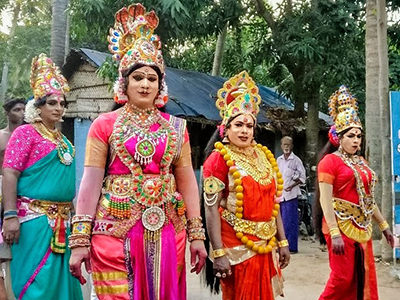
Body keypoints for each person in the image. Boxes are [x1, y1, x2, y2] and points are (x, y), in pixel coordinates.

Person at [68, 4, 207, 300]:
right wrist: (80, 239)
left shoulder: (177, 128)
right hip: (114, 230)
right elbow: (90, 183)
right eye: (138, 77)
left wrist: (197, 235)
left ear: (161, 85)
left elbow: (187, 182)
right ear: (125, 82)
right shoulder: (104, 124)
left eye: (152, 78)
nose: (145, 84)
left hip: (169, 228)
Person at [1, 54, 83, 299]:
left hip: (63, 224)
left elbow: (68, 185)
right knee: (37, 284)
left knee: (63, 285)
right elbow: (10, 172)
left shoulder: (65, 141)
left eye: (62, 103)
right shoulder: (25, 134)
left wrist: (77, 220)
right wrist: (10, 215)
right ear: (37, 107)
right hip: (34, 221)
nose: (59, 107)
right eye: (52, 103)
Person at [203, 71, 290, 300]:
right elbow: (211, 209)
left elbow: (274, 204)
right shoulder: (218, 159)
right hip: (235, 246)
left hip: (266, 243)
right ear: (226, 128)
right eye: (238, 124)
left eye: (249, 126)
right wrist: (218, 252)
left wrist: (282, 241)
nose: (244, 130)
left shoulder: (264, 156)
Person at [316, 85, 395, 300]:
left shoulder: (361, 162)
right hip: (339, 226)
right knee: (341, 278)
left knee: (363, 277)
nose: (356, 140)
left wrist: (384, 225)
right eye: (351, 136)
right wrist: (333, 232)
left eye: (359, 136)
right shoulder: (329, 162)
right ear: (338, 137)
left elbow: (368, 199)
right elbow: (325, 199)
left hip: (362, 226)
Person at [0, 98, 25, 300]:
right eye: (17, 109)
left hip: (22, 189)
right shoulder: (1, 137)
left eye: (24, 109)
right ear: (7, 113)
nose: (21, 113)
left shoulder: (28, 136)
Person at [277, 136, 306, 253]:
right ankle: (281, 247)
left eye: (288, 145)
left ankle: (292, 247)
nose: (286, 147)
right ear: (281, 146)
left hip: (291, 196)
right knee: (281, 222)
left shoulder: (296, 160)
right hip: (280, 195)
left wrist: (293, 185)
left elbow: (303, 177)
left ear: (292, 146)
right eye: (284, 144)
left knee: (291, 222)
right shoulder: (278, 160)